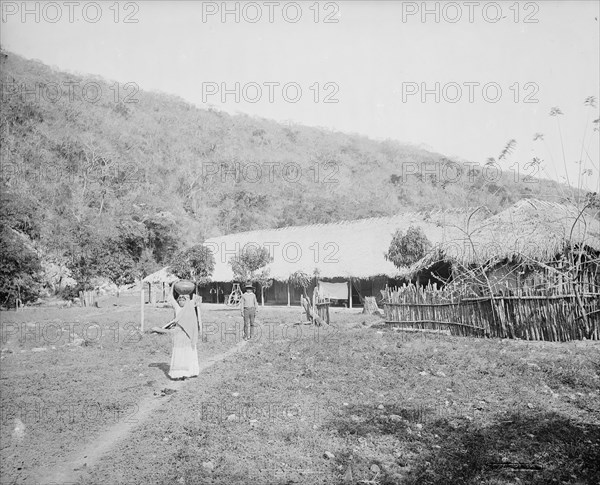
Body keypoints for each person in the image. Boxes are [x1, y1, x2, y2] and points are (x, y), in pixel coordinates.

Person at [165, 282, 201, 380]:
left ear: (187, 300)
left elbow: (198, 300)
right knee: (179, 352)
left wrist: (195, 288)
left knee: (188, 352)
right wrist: (173, 286)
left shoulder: (189, 306)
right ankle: (178, 374)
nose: (181, 301)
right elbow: (170, 298)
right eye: (179, 299)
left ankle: (188, 373)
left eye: (183, 299)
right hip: (179, 333)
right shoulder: (177, 308)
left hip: (188, 334)